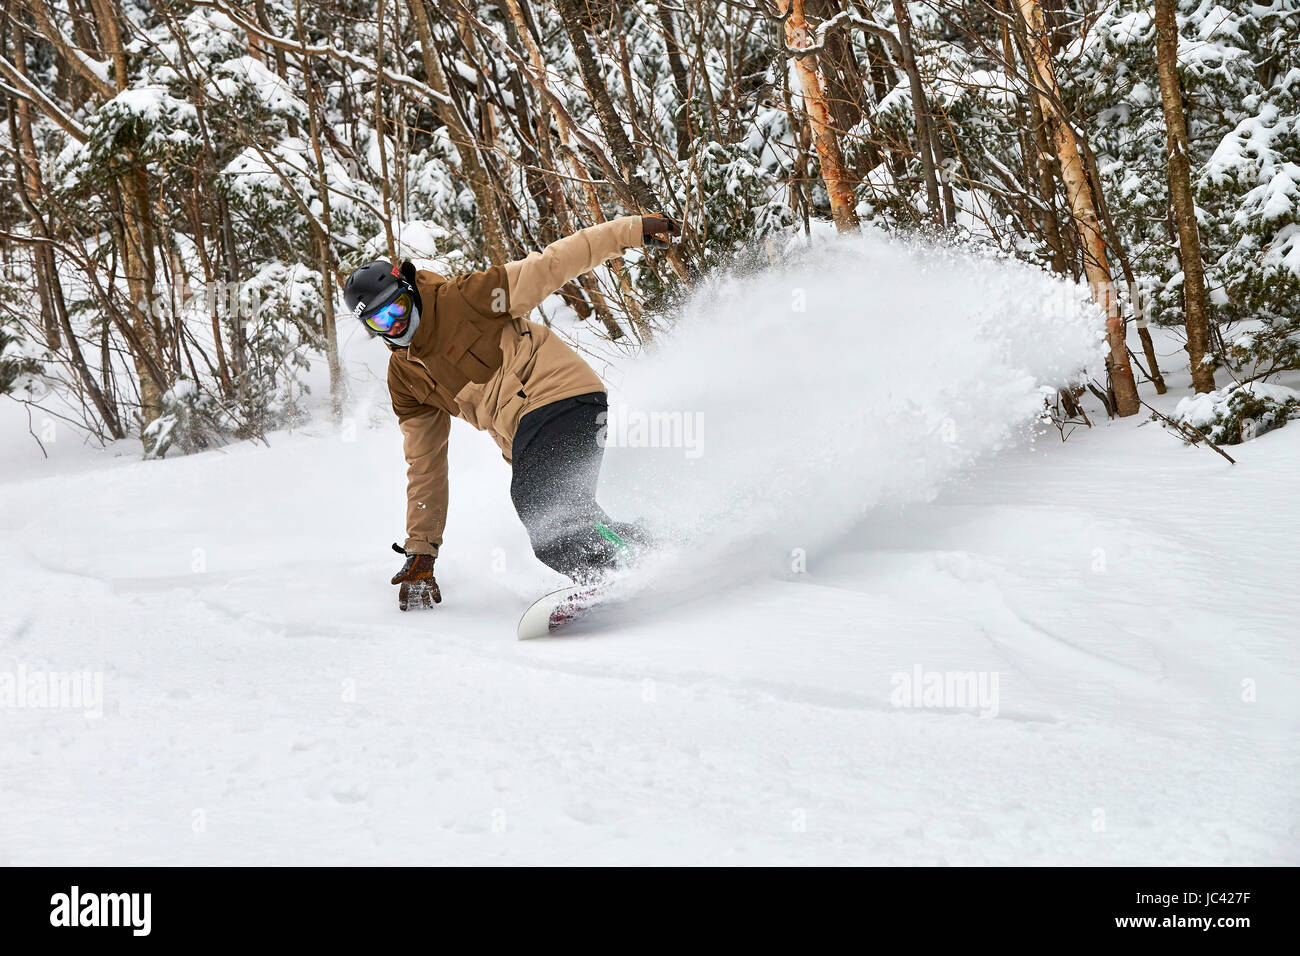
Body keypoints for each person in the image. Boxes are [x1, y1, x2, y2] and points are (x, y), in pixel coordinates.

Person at [344, 214, 680, 610]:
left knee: (543, 506)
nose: (395, 324)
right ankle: (654, 552)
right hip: (528, 434)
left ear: (408, 288)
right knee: (564, 510)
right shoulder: (406, 378)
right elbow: (425, 466)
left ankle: (614, 573)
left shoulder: (466, 297)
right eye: (380, 320)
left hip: (560, 394)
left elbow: (551, 264)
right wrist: (422, 550)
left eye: (397, 308)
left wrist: (630, 231)